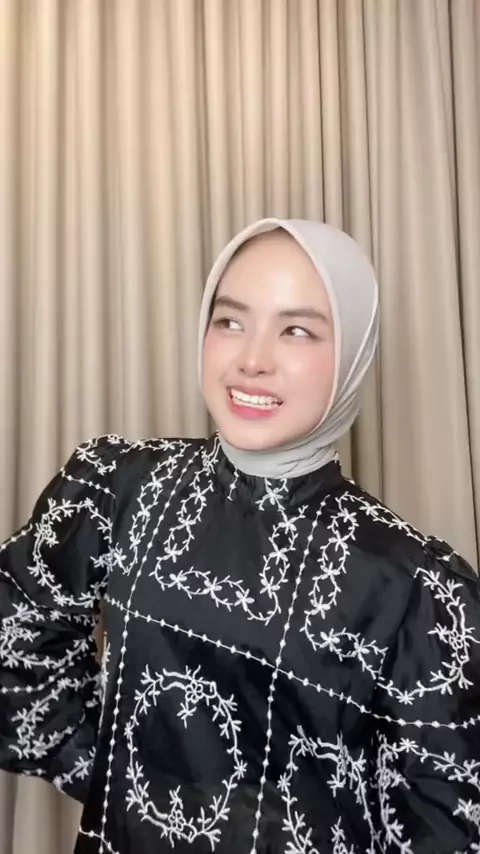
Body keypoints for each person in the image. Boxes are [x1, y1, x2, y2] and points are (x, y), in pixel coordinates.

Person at [1, 218, 479, 854]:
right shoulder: (117, 486)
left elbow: (444, 823)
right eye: (229, 321)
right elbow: (16, 648)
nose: (252, 359)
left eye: (297, 330)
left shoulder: (416, 587)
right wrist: (125, 787)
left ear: (354, 354)